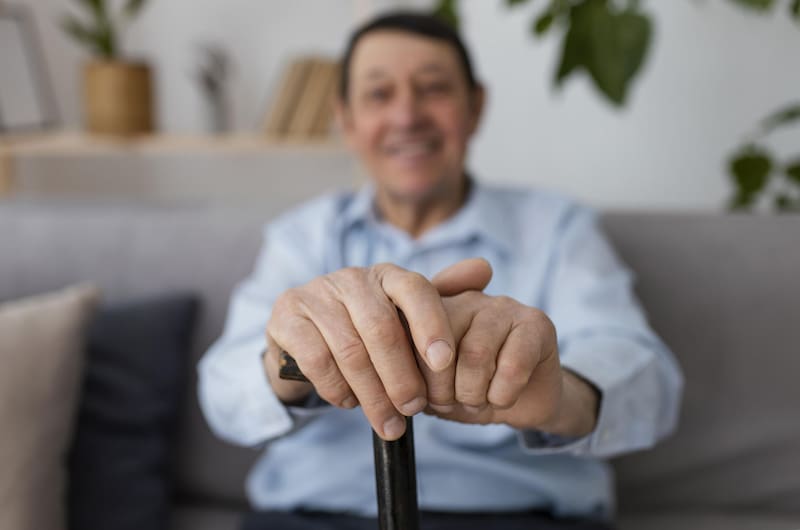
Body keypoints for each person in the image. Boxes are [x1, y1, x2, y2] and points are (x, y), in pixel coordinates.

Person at [198, 11, 683, 530]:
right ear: (346, 120)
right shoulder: (301, 235)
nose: (407, 116)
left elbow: (647, 377)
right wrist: (291, 358)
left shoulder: (558, 228)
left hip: (519, 517)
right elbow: (224, 392)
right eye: (379, 94)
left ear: (475, 107)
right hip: (315, 518)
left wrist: (560, 395)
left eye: (433, 89)